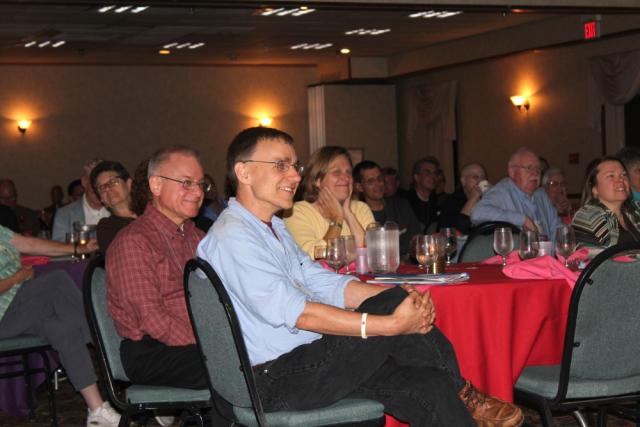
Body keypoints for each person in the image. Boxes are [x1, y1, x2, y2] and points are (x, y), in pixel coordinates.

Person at [198, 126, 524, 427]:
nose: (294, 175)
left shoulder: (273, 227)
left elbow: (324, 282)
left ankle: (459, 394)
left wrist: (398, 297)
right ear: (243, 171)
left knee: (428, 383)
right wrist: (390, 323)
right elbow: (298, 311)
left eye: (295, 166)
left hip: (310, 361)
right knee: (392, 304)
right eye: (280, 165)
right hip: (274, 379)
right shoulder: (233, 236)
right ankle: (466, 394)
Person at [106, 146, 210, 389]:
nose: (197, 192)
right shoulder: (134, 241)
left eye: (200, 184)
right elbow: (152, 319)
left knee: (264, 355)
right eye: (186, 182)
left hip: (198, 343)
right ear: (156, 186)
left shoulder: (198, 238)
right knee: (236, 366)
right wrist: (211, 342)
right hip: (152, 351)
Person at [0, 224, 121, 427]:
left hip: (20, 308)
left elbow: (30, 244)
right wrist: (16, 278)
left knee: (62, 327)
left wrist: (76, 249)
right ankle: (112, 350)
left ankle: (97, 409)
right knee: (56, 281)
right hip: (4, 318)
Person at [284, 146, 374, 257]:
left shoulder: (361, 208)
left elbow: (373, 255)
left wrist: (348, 213)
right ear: (317, 180)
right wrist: (337, 219)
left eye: (348, 172)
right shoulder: (296, 212)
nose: (346, 178)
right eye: (336, 172)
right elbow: (312, 256)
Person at [471, 148, 562, 238]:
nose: (536, 173)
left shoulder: (541, 195)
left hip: (546, 252)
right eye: (529, 168)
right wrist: (522, 219)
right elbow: (477, 213)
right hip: (516, 251)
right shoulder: (502, 191)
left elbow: (557, 229)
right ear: (512, 172)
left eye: (538, 168)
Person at [353, 160, 423, 256]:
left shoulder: (401, 205)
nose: (378, 184)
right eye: (371, 181)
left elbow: (417, 240)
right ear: (359, 187)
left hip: (408, 266)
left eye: (380, 179)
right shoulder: (358, 215)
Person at [572, 157, 640, 249]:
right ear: (594, 189)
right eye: (611, 176)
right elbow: (599, 259)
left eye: (623, 175)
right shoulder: (587, 216)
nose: (620, 180)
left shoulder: (635, 210)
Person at [53, 160, 110, 242]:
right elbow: (59, 252)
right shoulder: (65, 215)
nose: (100, 188)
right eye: (95, 182)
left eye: (105, 183)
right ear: (84, 182)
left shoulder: (120, 211)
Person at [90, 161, 137, 252]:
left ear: (129, 184)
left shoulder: (150, 212)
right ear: (101, 199)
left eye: (113, 181)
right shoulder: (107, 227)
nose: (108, 188)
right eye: (102, 187)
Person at [439, 163, 489, 234]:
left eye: (483, 177)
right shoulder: (451, 202)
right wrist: (473, 199)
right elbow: (454, 233)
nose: (481, 181)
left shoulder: (488, 199)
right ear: (463, 181)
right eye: (475, 177)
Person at [407, 157, 441, 232]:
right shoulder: (405, 202)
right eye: (427, 173)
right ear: (417, 177)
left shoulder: (440, 202)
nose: (433, 177)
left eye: (435, 173)